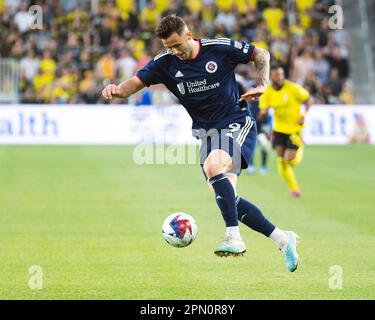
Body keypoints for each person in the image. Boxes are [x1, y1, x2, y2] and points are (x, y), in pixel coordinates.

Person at [102, 15, 299, 272]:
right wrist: (116, 90)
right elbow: (135, 84)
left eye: (177, 45)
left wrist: (262, 84)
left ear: (188, 34)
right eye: (168, 47)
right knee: (229, 199)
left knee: (213, 168)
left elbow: (260, 54)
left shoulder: (218, 48)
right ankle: (284, 240)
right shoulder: (165, 63)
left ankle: (234, 238)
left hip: (237, 122)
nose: (174, 51)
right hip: (207, 134)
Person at [259, 65, 312, 197]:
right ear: (271, 76)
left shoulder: (293, 88)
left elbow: (309, 99)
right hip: (278, 130)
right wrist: (264, 113)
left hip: (294, 129)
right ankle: (294, 188)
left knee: (289, 160)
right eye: (277, 75)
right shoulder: (268, 92)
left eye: (281, 74)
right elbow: (263, 111)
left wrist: (303, 115)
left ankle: (300, 147)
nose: (280, 77)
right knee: (281, 161)